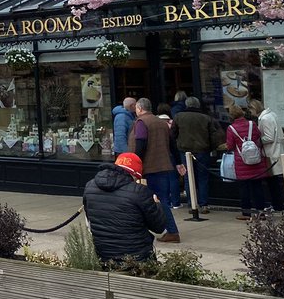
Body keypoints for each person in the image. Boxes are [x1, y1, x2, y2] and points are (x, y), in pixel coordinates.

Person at [83, 152, 167, 264]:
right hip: (137, 259)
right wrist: (157, 204)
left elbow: (90, 223)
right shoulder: (139, 192)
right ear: (134, 174)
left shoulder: (90, 186)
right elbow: (159, 228)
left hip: (104, 258)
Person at [132, 98, 185, 243]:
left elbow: (140, 143)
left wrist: (136, 163)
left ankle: (172, 232)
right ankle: (158, 229)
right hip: (163, 165)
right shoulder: (162, 123)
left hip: (149, 167)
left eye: (136, 108)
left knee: (156, 200)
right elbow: (173, 144)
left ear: (140, 108)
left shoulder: (142, 122)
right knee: (161, 198)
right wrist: (178, 162)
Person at [173, 96, 223, 213]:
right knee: (202, 178)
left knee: (188, 178)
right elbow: (213, 136)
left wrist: (177, 146)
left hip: (185, 151)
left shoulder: (178, 117)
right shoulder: (206, 118)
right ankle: (204, 204)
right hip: (202, 151)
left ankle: (192, 203)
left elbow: (173, 134)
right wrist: (211, 148)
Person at [226, 105, 271, 219]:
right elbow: (258, 136)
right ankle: (260, 211)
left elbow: (230, 146)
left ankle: (246, 212)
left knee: (244, 188)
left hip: (242, 162)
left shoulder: (231, 128)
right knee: (258, 187)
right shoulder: (252, 124)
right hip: (256, 160)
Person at [250, 99, 284, 213]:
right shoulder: (271, 114)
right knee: (274, 182)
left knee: (273, 182)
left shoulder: (265, 118)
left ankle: (277, 206)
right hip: (276, 151)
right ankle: (277, 205)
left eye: (250, 110)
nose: (250, 113)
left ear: (254, 108)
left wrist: (256, 141)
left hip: (271, 153)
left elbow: (269, 137)